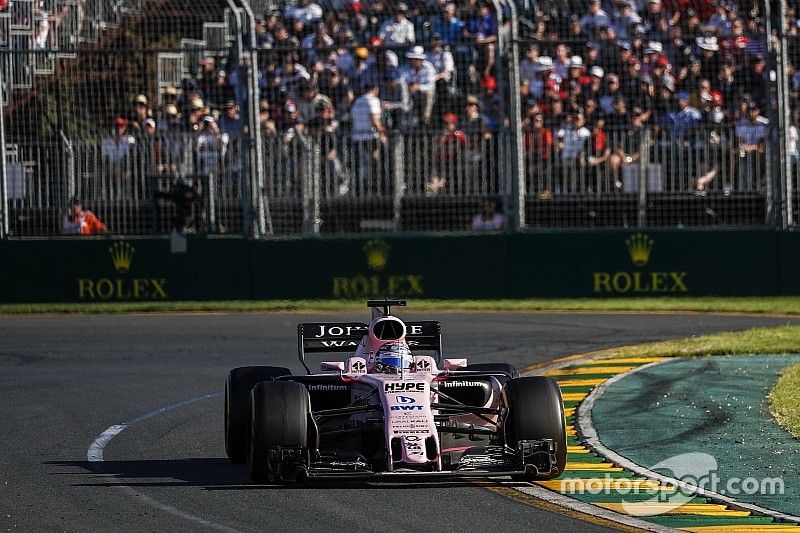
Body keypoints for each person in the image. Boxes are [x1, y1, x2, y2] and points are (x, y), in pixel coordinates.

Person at [350, 84, 386, 194]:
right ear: (375, 89)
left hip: (357, 137)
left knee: (361, 164)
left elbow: (352, 118)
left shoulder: (357, 101)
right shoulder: (373, 100)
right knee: (376, 162)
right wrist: (382, 134)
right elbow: (374, 118)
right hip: (370, 137)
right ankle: (376, 188)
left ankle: (359, 189)